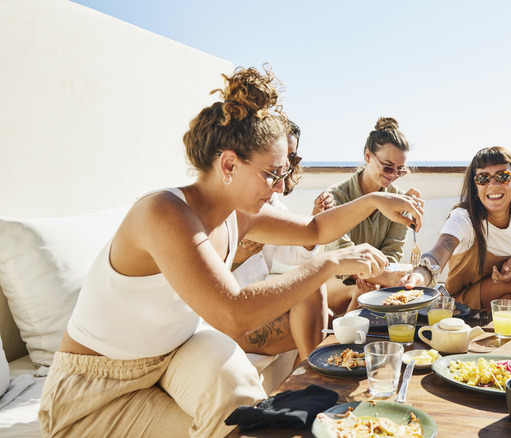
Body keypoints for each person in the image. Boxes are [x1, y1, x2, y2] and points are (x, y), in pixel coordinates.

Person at [38, 66, 422, 438]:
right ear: (228, 164)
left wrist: (375, 199)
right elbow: (232, 312)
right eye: (272, 174)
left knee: (240, 393)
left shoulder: (238, 213)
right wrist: (330, 262)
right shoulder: (163, 213)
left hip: (170, 355)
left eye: (284, 174)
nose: (279, 187)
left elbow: (315, 228)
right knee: (234, 419)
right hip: (97, 388)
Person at [400, 146, 511, 313]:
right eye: (483, 178)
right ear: (475, 188)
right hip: (464, 302)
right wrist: (419, 276)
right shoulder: (464, 219)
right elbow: (440, 252)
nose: (493, 184)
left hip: (509, 294)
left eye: (502, 176)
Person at [230, 118, 332, 363]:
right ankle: (310, 382)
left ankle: (301, 386)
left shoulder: (273, 205)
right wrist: (241, 254)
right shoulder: (228, 206)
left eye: (292, 158)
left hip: (255, 307)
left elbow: (290, 255)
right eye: (277, 164)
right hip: (228, 318)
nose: (286, 168)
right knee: (319, 308)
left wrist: (312, 225)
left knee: (323, 309)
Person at [322, 117, 421, 315]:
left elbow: (392, 252)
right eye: (387, 167)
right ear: (368, 156)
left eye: (400, 170)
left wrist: (376, 278)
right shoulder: (335, 197)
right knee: (362, 293)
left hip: (376, 280)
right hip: (335, 282)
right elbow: (341, 256)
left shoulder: (401, 200)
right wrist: (380, 278)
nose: (392, 175)